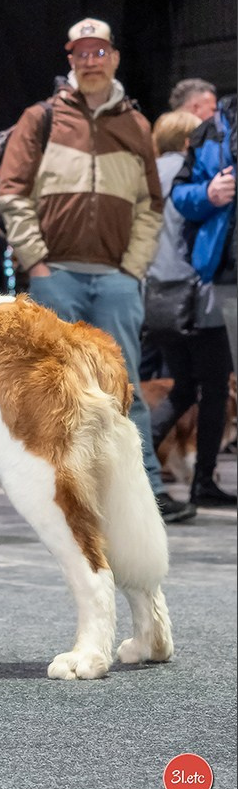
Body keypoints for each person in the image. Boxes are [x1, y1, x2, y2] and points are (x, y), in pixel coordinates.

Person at [0, 16, 195, 524]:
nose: (90, 61)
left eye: (98, 52)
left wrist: (132, 268)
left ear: (114, 58)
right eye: (81, 53)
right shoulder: (40, 118)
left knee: (124, 388)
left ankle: (146, 494)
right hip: (55, 273)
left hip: (115, 279)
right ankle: (61, 494)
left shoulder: (136, 125)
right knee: (57, 389)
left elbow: (152, 204)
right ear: (70, 59)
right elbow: (11, 192)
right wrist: (37, 260)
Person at [144, 110, 234, 511]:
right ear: (188, 142)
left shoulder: (147, 174)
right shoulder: (194, 176)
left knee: (182, 387)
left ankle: (143, 463)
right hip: (194, 297)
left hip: (156, 298)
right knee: (214, 388)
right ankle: (204, 482)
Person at [170, 93, 237, 504]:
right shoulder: (210, 131)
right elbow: (182, 195)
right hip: (222, 277)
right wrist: (209, 193)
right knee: (215, 385)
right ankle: (203, 482)